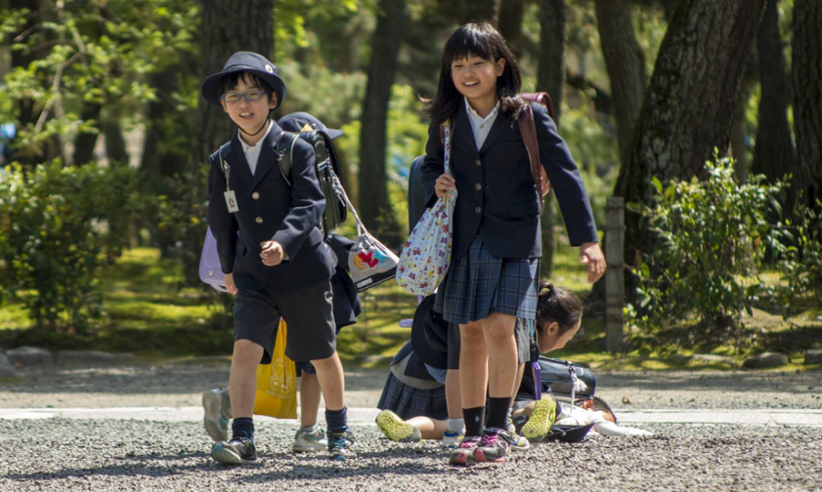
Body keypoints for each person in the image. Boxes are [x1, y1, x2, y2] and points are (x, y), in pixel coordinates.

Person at [419, 21, 606, 465]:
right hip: (464, 242)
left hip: (517, 240)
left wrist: (588, 240)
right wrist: (438, 182)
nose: (467, 72)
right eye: (458, 64)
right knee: (468, 335)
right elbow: (429, 167)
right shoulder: (447, 121)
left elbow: (566, 174)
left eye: (478, 63)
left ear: (500, 66)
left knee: (501, 329)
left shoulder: (527, 116)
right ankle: (471, 431)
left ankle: (498, 429)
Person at [202, 52, 355, 464]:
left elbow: (310, 203)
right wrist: (230, 267)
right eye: (234, 96)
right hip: (253, 274)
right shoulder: (222, 160)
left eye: (253, 93)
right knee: (245, 350)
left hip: (303, 267)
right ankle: (243, 436)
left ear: (272, 100)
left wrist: (284, 242)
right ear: (224, 105)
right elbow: (220, 218)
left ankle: (339, 431)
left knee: (321, 352)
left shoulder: (296, 148)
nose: (243, 103)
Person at [376, 281, 584, 453]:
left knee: (456, 425)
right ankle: (537, 411)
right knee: (492, 416)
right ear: (552, 328)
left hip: (408, 371)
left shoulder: (481, 304)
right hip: (446, 385)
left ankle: (410, 425)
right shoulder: (516, 341)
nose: (566, 344)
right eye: (570, 338)